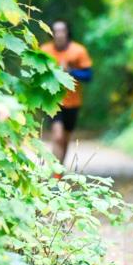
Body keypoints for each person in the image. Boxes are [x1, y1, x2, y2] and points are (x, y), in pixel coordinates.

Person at [40, 19, 93, 166]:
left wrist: (71, 71)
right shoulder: (44, 51)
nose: (59, 34)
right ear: (52, 33)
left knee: (65, 139)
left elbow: (88, 76)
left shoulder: (78, 51)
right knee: (57, 137)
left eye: (62, 30)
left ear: (67, 32)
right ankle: (53, 172)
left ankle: (59, 171)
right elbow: (37, 73)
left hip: (73, 102)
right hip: (52, 100)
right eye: (56, 31)